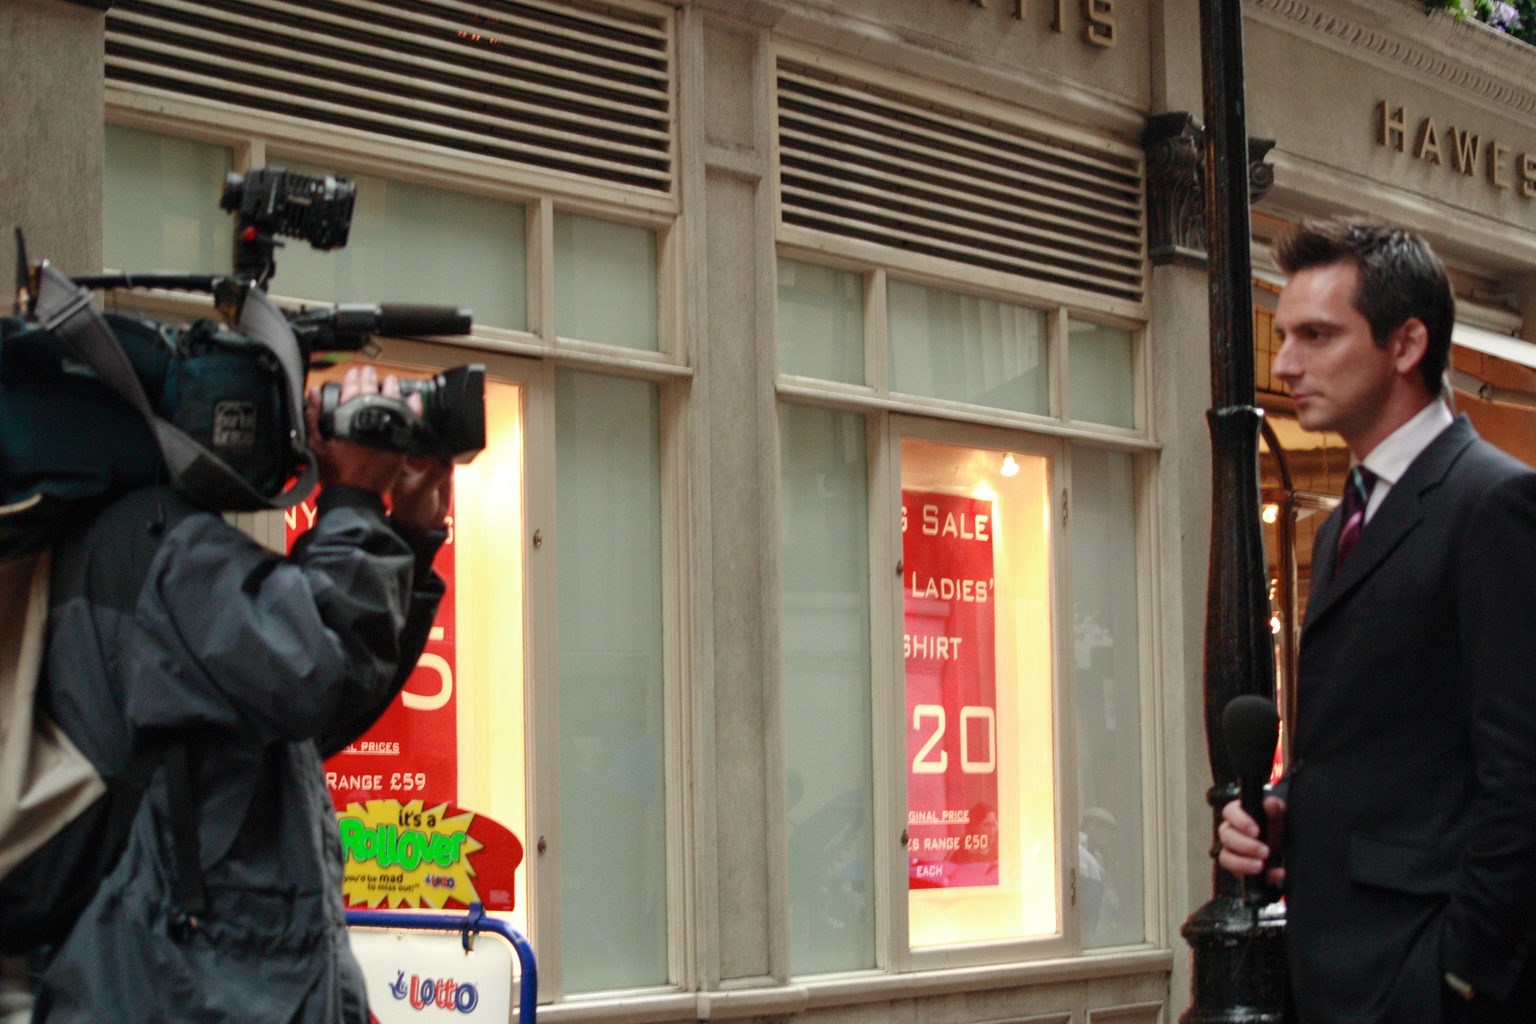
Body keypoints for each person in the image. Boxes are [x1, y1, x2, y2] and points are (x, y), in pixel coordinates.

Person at [31, 364, 452, 1023]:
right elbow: (320, 670)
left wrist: (412, 536)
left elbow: (310, 718)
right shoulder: (158, 543)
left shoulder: (122, 541)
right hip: (191, 989)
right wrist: (354, 499)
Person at [1218, 218, 1536, 1022]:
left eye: (1316, 335)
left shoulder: (1493, 503)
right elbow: (1374, 741)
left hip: (1421, 978)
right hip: (1331, 968)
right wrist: (1285, 806)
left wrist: (1458, 979)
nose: (1285, 361)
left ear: (1406, 344)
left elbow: (1523, 778)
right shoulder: (1343, 523)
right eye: (1284, 334)